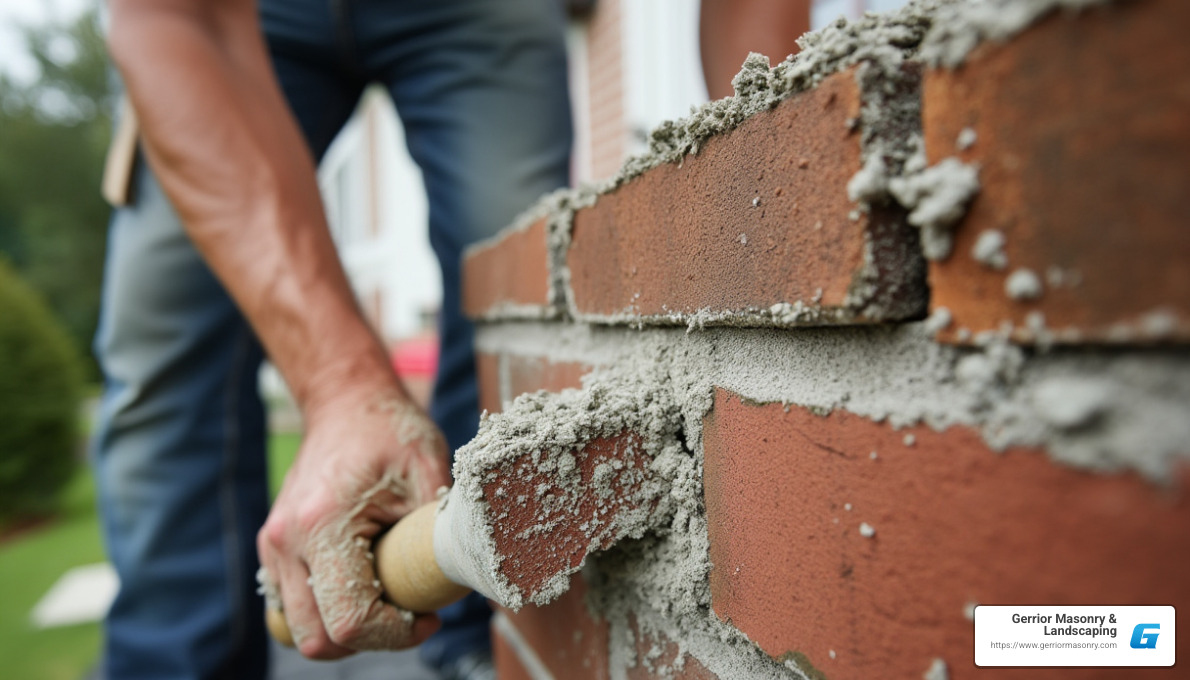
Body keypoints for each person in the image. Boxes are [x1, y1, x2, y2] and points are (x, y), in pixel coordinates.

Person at [92, 0, 572, 678]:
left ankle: (478, 642)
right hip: (231, 16)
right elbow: (170, 20)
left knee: (516, 289)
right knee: (167, 345)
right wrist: (344, 388)